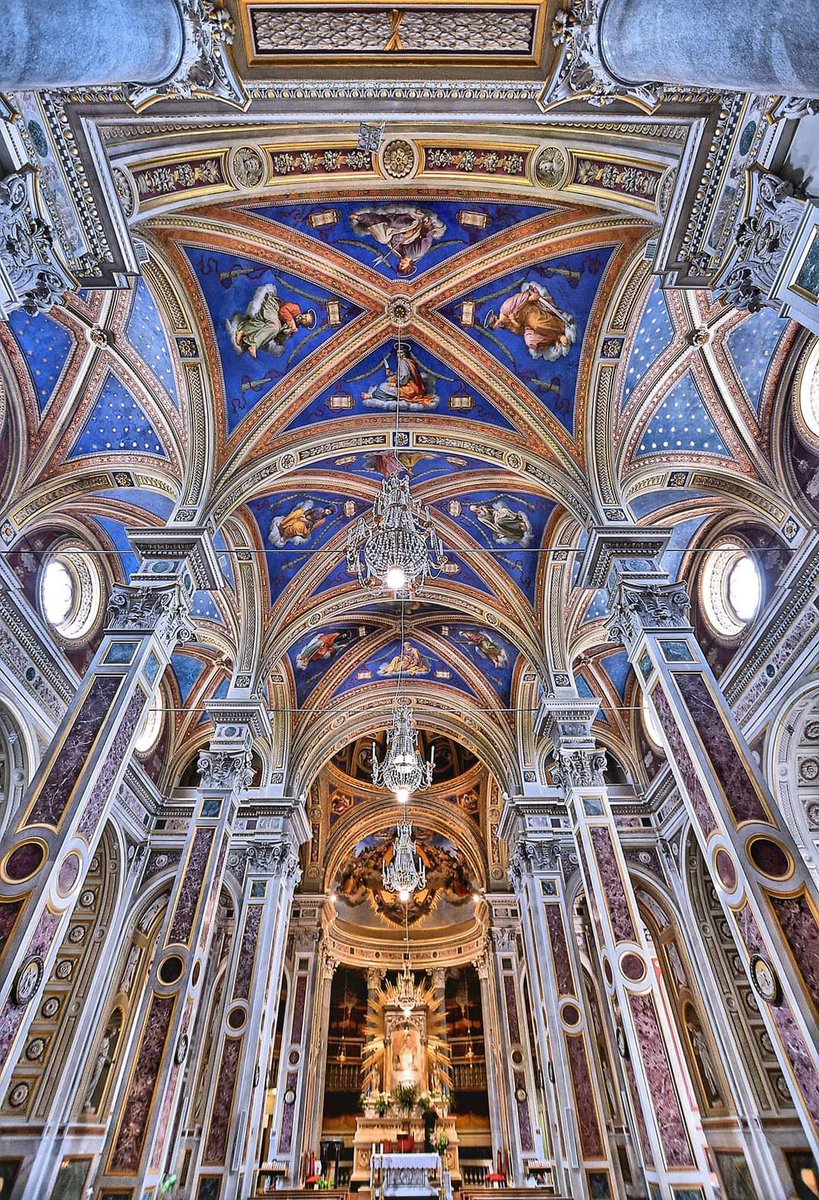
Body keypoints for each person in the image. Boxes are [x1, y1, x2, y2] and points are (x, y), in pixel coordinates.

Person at [486, 281, 576, 361]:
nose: (499, 326)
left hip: (529, 311)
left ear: (496, 319)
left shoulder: (505, 307)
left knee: (537, 324)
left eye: (497, 324)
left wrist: (529, 299)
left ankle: (560, 333)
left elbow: (520, 298)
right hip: (527, 324)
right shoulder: (506, 325)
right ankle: (554, 339)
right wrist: (513, 322)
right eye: (497, 327)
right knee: (531, 342)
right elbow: (520, 330)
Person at [228, 282, 315, 357]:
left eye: (305, 320)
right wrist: (291, 322)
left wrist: (287, 332)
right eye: (305, 316)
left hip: (272, 317)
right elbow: (283, 310)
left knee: (263, 324)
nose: (303, 317)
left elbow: (277, 338)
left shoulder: (295, 328)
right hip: (273, 306)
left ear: (304, 324)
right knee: (275, 326)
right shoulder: (296, 309)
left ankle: (242, 331)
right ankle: (254, 344)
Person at [364, 345, 438, 408]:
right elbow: (402, 374)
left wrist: (396, 384)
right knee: (387, 385)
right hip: (415, 388)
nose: (399, 355)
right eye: (398, 353)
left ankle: (372, 396)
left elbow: (405, 376)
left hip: (410, 389)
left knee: (382, 387)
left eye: (401, 353)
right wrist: (392, 374)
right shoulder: (409, 361)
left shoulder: (403, 361)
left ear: (405, 353)